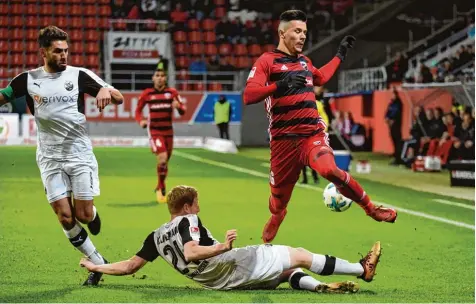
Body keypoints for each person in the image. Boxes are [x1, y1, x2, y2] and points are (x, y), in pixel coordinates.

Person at [242, 10, 397, 243]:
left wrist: (339, 55)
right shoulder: (267, 61)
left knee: (329, 170)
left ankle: (370, 208)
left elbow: (320, 78)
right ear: (283, 34)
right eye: (297, 31)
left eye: (305, 32)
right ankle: (278, 215)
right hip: (283, 142)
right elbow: (249, 95)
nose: (303, 36)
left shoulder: (305, 62)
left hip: (311, 135)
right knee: (277, 202)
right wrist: (279, 85)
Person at [80, 185, 382, 293]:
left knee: (286, 272)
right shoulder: (189, 220)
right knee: (300, 253)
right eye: (196, 203)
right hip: (229, 263)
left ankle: (318, 287)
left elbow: (130, 267)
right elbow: (192, 252)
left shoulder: (155, 236)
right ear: (185, 208)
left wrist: (97, 267)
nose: (199, 208)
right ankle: (361, 269)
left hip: (217, 282)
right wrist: (223, 246)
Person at [0, 26, 124, 285]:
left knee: (84, 216)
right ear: (43, 52)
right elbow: (4, 96)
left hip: (79, 155)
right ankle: (97, 263)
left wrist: (105, 91)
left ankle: (92, 214)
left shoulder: (79, 75)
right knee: (65, 217)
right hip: (49, 157)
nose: (64, 55)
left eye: (66, 50)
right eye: (58, 51)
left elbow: (119, 97)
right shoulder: (27, 79)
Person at [135, 68, 186, 204]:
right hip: (155, 131)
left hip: (168, 131)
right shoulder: (147, 94)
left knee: (165, 161)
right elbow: (138, 111)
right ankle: (161, 188)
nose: (160, 78)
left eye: (162, 76)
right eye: (157, 75)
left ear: (165, 78)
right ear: (153, 78)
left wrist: (178, 107)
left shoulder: (172, 93)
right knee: (162, 158)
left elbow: (183, 110)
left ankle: (159, 184)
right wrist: (141, 121)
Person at [385, 88, 403, 165]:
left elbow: (396, 113)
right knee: (394, 141)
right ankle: (396, 156)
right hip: (391, 125)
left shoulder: (399, 103)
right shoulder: (391, 103)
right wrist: (386, 118)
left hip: (396, 125)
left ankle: (398, 158)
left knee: (397, 141)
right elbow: (387, 112)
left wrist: (392, 119)